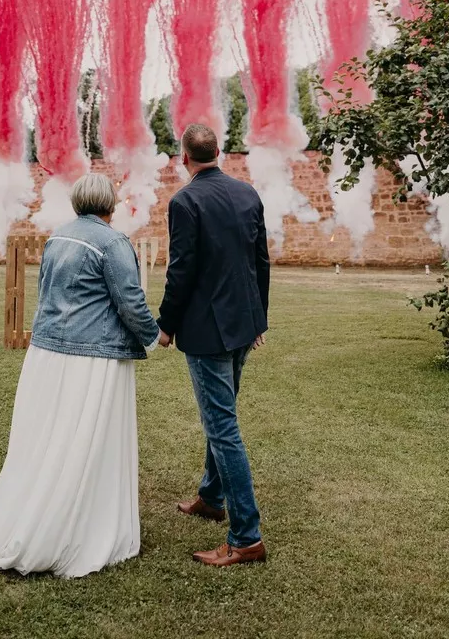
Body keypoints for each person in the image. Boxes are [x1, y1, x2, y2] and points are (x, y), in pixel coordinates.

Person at [0, 172, 159, 578]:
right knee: (83, 438)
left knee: (46, 436)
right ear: (110, 205)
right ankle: (72, 526)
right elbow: (130, 301)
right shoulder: (113, 243)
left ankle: (30, 512)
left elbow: (47, 294)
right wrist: (154, 334)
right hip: (91, 356)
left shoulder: (58, 237)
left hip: (47, 352)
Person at [157, 122, 269, 567]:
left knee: (222, 427)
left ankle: (246, 538)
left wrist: (166, 325)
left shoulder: (185, 201)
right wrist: (259, 318)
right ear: (219, 152)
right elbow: (260, 261)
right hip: (243, 325)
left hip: (208, 332)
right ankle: (211, 496)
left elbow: (180, 270)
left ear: (184, 157)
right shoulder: (248, 193)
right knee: (222, 417)